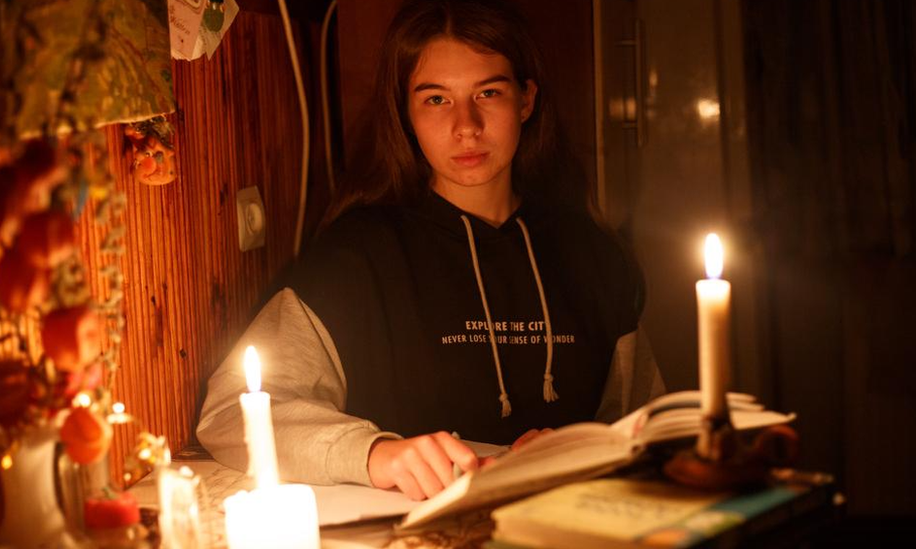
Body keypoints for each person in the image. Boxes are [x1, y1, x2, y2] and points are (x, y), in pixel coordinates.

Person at [197, 0, 664, 502]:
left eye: (488, 92)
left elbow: (646, 428)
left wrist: (584, 452)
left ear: (526, 100)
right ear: (406, 113)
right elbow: (230, 416)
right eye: (436, 100)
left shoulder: (591, 255)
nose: (467, 126)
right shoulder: (356, 258)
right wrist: (376, 453)